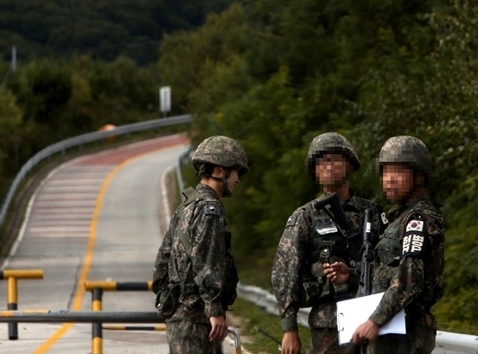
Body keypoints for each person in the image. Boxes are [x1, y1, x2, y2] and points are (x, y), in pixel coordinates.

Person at [271, 132, 387, 354]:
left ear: (350, 165)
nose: (328, 166)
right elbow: (284, 272)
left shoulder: (371, 212)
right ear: (315, 171)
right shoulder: (305, 217)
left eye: (334, 159)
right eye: (321, 161)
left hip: (373, 318)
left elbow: (389, 266)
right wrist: (289, 328)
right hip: (329, 323)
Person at [336, 136, 444, 353]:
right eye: (385, 172)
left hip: (406, 334)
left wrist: (376, 320)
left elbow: (409, 279)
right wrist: (353, 276)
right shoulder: (396, 219)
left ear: (419, 176)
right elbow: (388, 275)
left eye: (398, 172)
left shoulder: (419, 220)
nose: (389, 180)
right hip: (386, 332)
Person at [152, 135, 249, 354]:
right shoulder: (210, 210)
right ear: (220, 170)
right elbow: (208, 264)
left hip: (179, 321)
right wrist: (214, 311)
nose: (238, 179)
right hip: (198, 321)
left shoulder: (185, 207)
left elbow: (161, 264)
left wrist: (171, 303)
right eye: (236, 171)